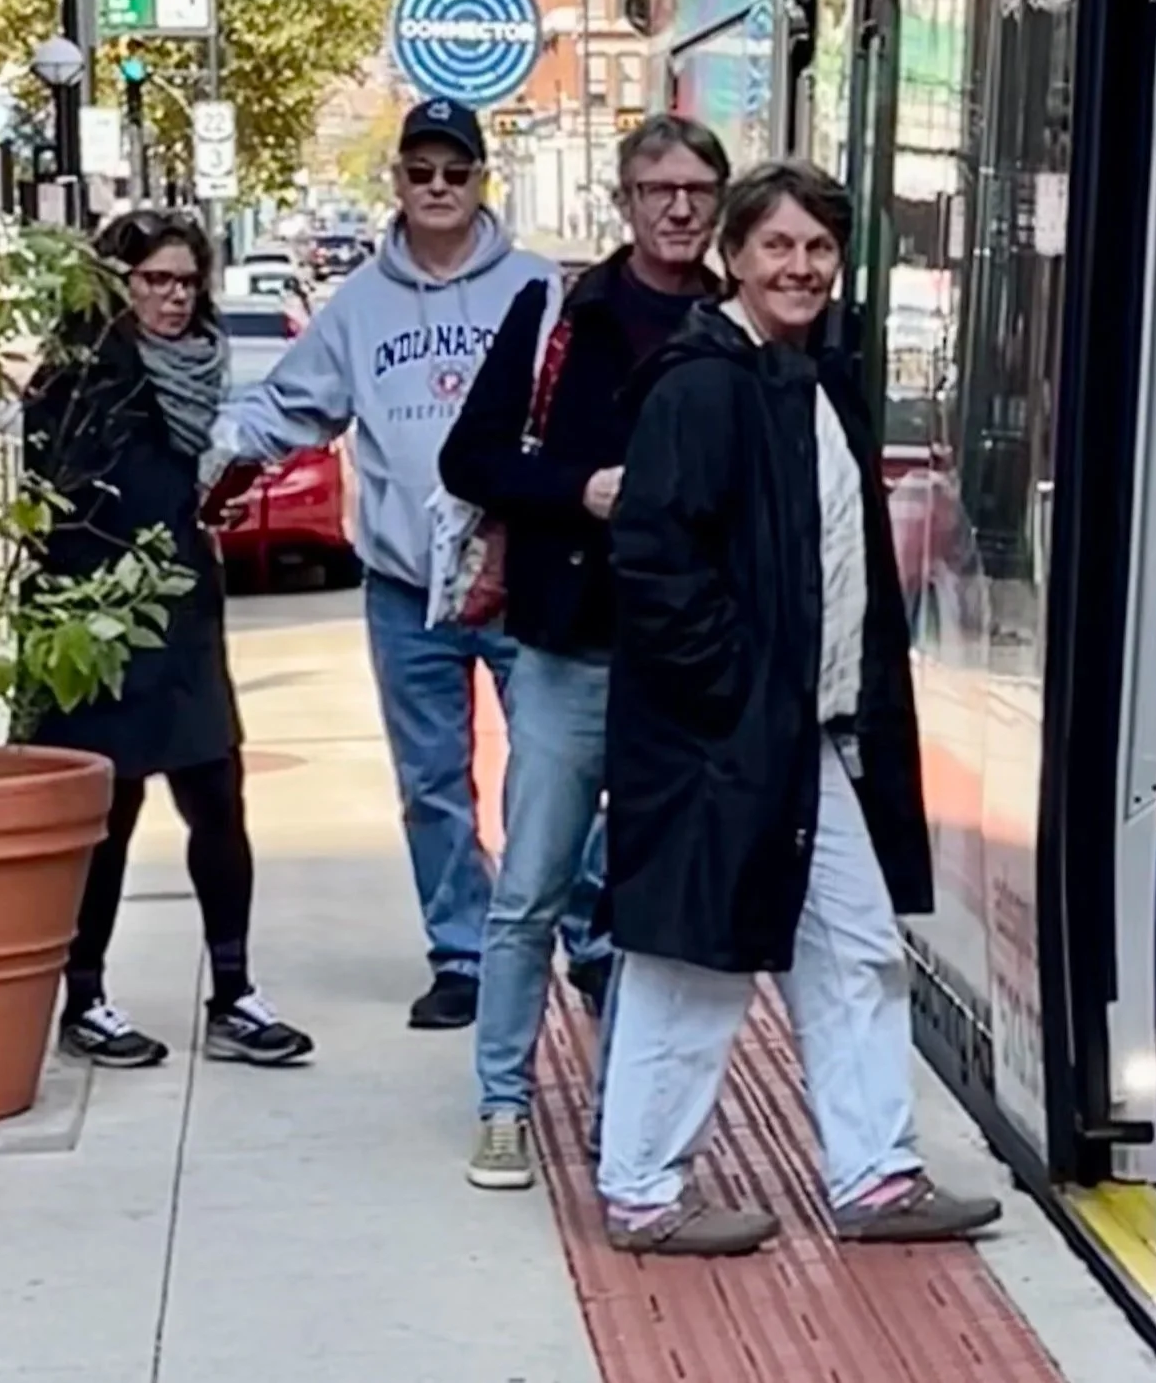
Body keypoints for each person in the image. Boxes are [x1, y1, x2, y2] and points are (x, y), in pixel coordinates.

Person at [594, 159, 1002, 1257]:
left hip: (795, 740)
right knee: (693, 965)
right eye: (777, 246)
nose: (801, 267)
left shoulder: (803, 380)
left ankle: (874, 1175)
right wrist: (734, 694)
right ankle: (640, 1189)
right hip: (718, 743)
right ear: (734, 255)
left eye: (818, 247)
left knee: (856, 944)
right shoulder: (702, 385)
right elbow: (656, 564)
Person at [212, 100, 561, 1029]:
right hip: (408, 587)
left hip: (523, 576)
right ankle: (463, 953)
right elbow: (288, 408)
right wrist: (197, 448)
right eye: (421, 171)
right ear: (397, 181)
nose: (438, 187)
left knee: (559, 764)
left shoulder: (538, 288)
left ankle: (580, 936)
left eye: (456, 171)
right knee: (432, 782)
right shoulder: (358, 305)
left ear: (483, 179)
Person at [440, 113, 731, 1191]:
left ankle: (632, 1109)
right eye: (658, 187)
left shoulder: (734, 322)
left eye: (697, 188)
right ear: (624, 200)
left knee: (654, 908)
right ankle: (503, 1102)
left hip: (688, 661)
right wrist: (578, 490)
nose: (678, 206)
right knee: (531, 888)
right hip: (570, 653)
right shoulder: (558, 310)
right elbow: (468, 458)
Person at [22, 211, 311, 1071]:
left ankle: (233, 990)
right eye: (155, 280)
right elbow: (58, 511)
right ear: (118, 283)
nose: (175, 298)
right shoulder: (76, 380)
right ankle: (87, 996)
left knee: (218, 797)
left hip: (182, 610)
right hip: (98, 618)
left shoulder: (199, 370)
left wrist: (210, 501)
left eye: (187, 281)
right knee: (108, 813)